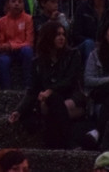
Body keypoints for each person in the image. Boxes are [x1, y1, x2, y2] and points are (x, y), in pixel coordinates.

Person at [9, 21, 85, 149]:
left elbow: (70, 80)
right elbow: (32, 90)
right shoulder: (38, 62)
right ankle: (64, 144)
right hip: (47, 100)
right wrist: (19, 110)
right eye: (57, 35)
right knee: (51, 101)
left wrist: (50, 90)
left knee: (53, 101)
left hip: (71, 97)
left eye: (63, 34)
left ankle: (57, 144)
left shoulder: (73, 55)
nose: (61, 38)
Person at [0, 0, 35, 90]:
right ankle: (7, 90)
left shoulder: (28, 19)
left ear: (23, 4)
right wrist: (10, 46)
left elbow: (29, 42)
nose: (16, 4)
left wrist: (12, 45)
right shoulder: (2, 21)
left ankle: (28, 86)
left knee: (27, 51)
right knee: (3, 60)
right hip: (8, 52)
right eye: (13, 1)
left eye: (19, 1)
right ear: (8, 4)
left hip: (21, 50)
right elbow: (0, 44)